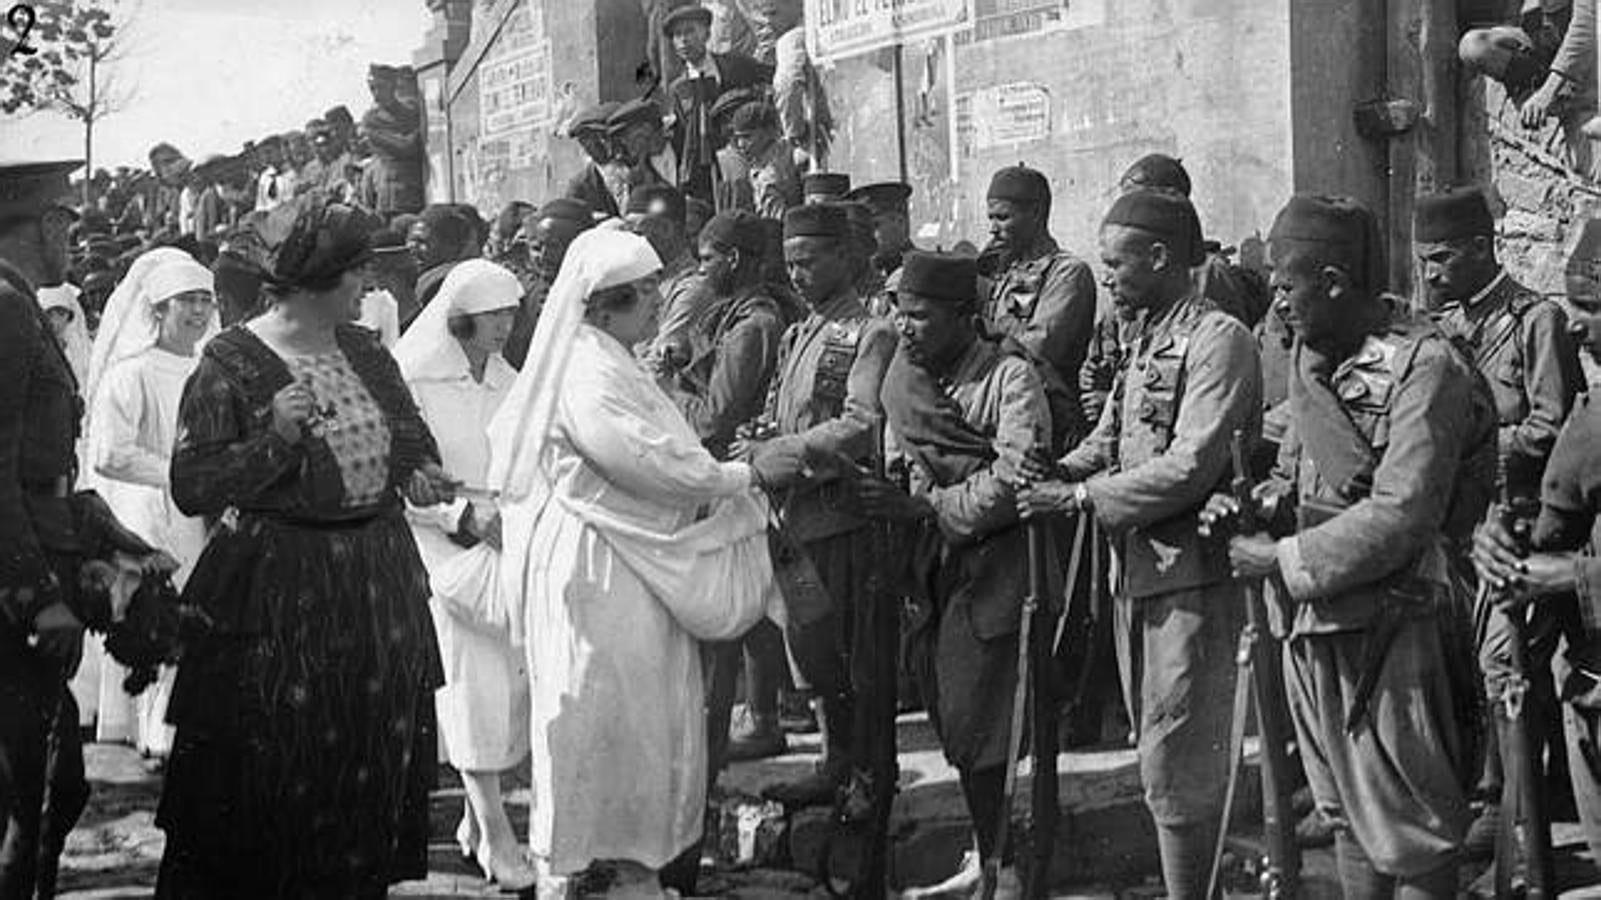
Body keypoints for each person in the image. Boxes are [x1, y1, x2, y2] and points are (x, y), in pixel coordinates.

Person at [154, 194, 455, 898]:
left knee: (364, 766)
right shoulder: (230, 362)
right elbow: (192, 484)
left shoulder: (364, 350)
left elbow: (409, 440)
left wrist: (417, 475)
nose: (368, 289)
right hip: (277, 599)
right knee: (272, 777)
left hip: (375, 593)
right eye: (358, 275)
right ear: (323, 278)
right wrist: (275, 441)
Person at [485, 227, 798, 897]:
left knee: (639, 711)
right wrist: (738, 476)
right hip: (596, 563)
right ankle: (590, 862)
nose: (659, 303)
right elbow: (648, 461)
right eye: (644, 293)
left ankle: (629, 862)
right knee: (601, 706)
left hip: (623, 557)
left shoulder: (611, 357)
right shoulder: (585, 368)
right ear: (604, 304)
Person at [1214, 194, 1487, 898]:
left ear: (1333, 282)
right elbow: (1299, 470)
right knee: (1344, 814)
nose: (1275, 305)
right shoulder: (1314, 358)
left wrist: (1280, 559)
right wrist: (1262, 504)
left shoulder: (1423, 367)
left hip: (1398, 623)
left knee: (1412, 824)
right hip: (1319, 619)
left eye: (1285, 286)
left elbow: (1402, 513)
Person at [1017, 189, 1261, 899]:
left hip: (1192, 575)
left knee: (1179, 751)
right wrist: (1063, 468)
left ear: (1159, 257)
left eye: (1116, 264)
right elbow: (1116, 434)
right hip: (1139, 572)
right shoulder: (1147, 334)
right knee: (1157, 743)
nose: (1109, 278)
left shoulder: (1218, 339)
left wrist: (1081, 498)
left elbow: (1191, 463)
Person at [866, 251, 1056, 899]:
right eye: (898, 312)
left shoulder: (1008, 379)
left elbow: (1017, 474)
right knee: (950, 718)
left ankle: (1006, 864)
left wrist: (930, 505)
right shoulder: (904, 378)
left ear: (961, 317)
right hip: (929, 570)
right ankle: (989, 851)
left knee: (982, 723)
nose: (904, 326)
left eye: (918, 316)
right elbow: (902, 464)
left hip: (997, 569)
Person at [1415, 185, 1584, 854]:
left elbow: (1552, 422)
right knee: (1451, 655)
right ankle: (1471, 786)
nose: (1430, 274)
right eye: (1423, 261)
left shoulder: (1532, 321)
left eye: (1443, 259)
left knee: (1504, 659)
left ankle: (1505, 802)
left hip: (1512, 515)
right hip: (1452, 519)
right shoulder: (1438, 327)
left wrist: (1472, 443)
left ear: (1483, 250)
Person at [748, 203, 899, 805]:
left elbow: (862, 422)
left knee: (854, 657)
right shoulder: (797, 332)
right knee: (810, 649)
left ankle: (868, 775)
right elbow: (781, 409)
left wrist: (782, 451)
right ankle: (836, 762)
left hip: (840, 519)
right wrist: (758, 438)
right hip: (794, 521)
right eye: (790, 265)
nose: (799, 275)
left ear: (845, 256)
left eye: (809, 261)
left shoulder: (869, 332)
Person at [394, 259, 534, 890]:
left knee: (517, 680)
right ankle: (494, 828)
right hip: (438, 542)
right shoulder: (416, 380)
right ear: (460, 319)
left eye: (511, 313)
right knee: (473, 678)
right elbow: (398, 479)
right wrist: (460, 516)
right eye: (492, 316)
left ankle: (480, 824)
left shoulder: (510, 381)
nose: (504, 327)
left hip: (507, 537)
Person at [1473, 216, 1601, 861]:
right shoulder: (1597, 414)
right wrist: (1504, 537)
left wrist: (1572, 576)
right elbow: (1555, 518)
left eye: (1592, 306)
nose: (1575, 324)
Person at [78, 250, 218, 758]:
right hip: (155, 512)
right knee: (162, 613)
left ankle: (198, 725)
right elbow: (110, 453)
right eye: (186, 302)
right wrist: (178, 474)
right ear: (157, 309)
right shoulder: (131, 373)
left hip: (207, 511)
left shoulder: (215, 366)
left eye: (205, 300)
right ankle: (160, 732)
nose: (198, 312)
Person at [663, 210, 791, 765]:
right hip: (725, 481)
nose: (703, 266)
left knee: (744, 607)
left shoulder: (752, 326)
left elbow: (715, 416)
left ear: (733, 259)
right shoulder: (730, 317)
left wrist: (666, 384)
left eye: (709, 257)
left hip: (736, 480)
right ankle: (756, 714)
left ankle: (757, 718)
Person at [0, 158, 95, 898]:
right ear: (36, 224)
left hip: (38, 547)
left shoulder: (21, 303)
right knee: (29, 793)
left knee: (50, 789)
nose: (73, 235)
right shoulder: (4, 307)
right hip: (16, 588)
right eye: (65, 220)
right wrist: (37, 595)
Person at [983, 166, 1098, 449]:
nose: (993, 228)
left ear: (1035, 213)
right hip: (1000, 408)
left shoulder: (1068, 273)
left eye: (1002, 217)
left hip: (1048, 418)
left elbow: (1040, 348)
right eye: (991, 218)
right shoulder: (1004, 271)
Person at [664, 0, 773, 202]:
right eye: (677, 36)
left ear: (706, 33)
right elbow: (680, 138)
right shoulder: (678, 89)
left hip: (746, 160)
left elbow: (769, 80)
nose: (684, 41)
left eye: (690, 31)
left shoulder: (736, 64)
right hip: (704, 175)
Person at [506, 198, 595, 369]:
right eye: (538, 247)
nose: (544, 256)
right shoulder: (521, 295)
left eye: (554, 247)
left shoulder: (602, 297)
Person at [359, 64, 427, 220]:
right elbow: (404, 147)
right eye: (372, 89)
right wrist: (421, 129)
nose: (376, 95)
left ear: (393, 86)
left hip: (418, 188)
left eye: (380, 88)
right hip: (392, 196)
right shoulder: (372, 119)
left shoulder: (410, 111)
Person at [406, 204, 486, 328]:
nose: (412, 249)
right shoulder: (420, 279)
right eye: (411, 241)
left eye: (422, 242)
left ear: (451, 246)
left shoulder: (444, 285)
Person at [844, 181, 917, 317]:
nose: (868, 237)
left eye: (875, 226)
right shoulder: (859, 274)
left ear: (901, 223)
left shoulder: (920, 271)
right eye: (864, 231)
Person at [718, 99, 800, 219]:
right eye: (738, 138)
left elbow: (777, 224)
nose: (741, 144)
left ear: (769, 131)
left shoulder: (772, 172)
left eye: (747, 137)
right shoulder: (763, 162)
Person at [564, 101, 625, 218]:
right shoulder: (580, 186)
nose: (602, 142)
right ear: (583, 145)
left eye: (604, 136)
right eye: (593, 139)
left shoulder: (637, 167)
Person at [36, 282, 91, 386]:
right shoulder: (36, 353)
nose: (55, 321)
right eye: (49, 314)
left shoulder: (85, 350)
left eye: (61, 314)